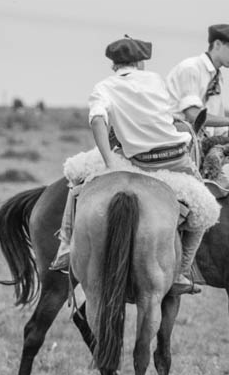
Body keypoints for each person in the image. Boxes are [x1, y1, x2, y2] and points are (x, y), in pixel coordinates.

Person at [51, 35, 208, 294]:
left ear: (114, 64)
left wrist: (108, 159)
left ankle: (66, 247)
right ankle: (181, 271)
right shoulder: (156, 80)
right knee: (205, 208)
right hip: (175, 160)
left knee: (76, 179)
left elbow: (97, 120)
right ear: (140, 62)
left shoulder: (103, 87)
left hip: (137, 161)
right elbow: (170, 115)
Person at [166, 23, 229, 135]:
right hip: (176, 139)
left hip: (199, 139)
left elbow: (219, 131)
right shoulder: (191, 68)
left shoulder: (217, 78)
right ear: (218, 44)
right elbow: (194, 115)